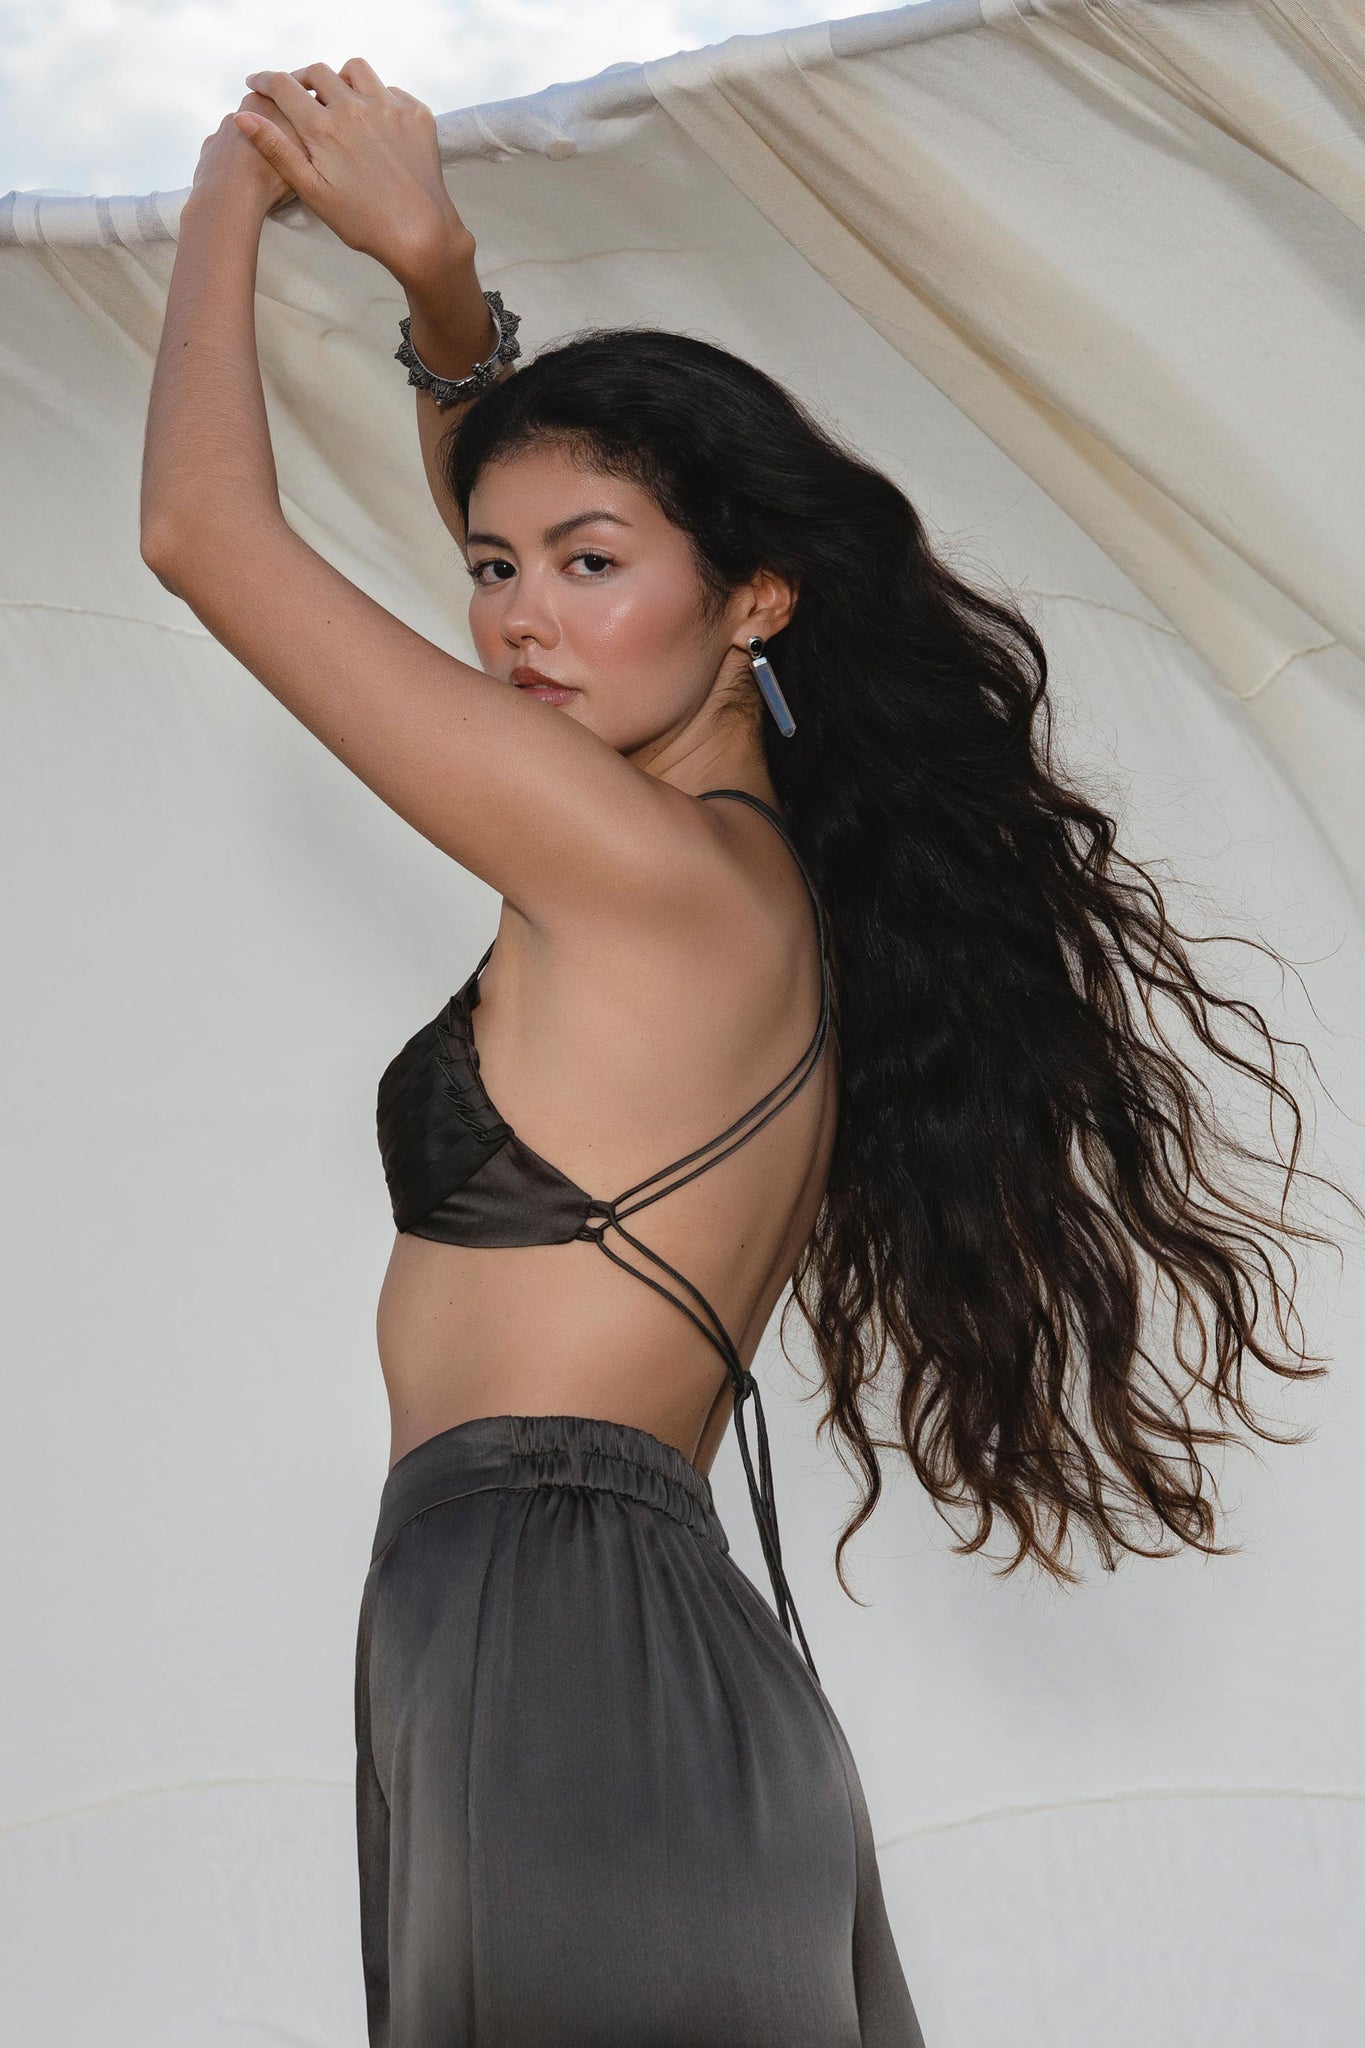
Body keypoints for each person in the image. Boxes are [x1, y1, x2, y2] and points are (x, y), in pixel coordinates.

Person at [140, 58, 1349, 2048]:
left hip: (560, 1633)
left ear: (751, 600)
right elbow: (541, 531)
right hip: (556, 1631)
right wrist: (440, 292)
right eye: (494, 570)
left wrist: (228, 175)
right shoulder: (694, 858)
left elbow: (201, 529)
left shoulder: (640, 872)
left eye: (588, 566)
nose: (520, 617)